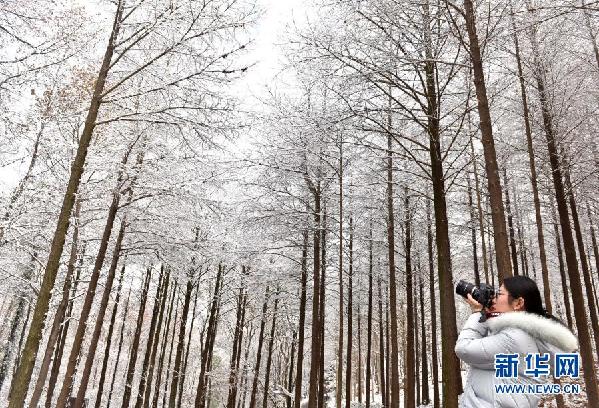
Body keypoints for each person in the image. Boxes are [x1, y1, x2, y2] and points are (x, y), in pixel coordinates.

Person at [455, 275, 578, 407]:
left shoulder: (513, 338)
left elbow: (463, 348)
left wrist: (477, 313)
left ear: (518, 303)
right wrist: (488, 315)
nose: (493, 298)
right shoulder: (527, 333)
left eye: (499, 294)